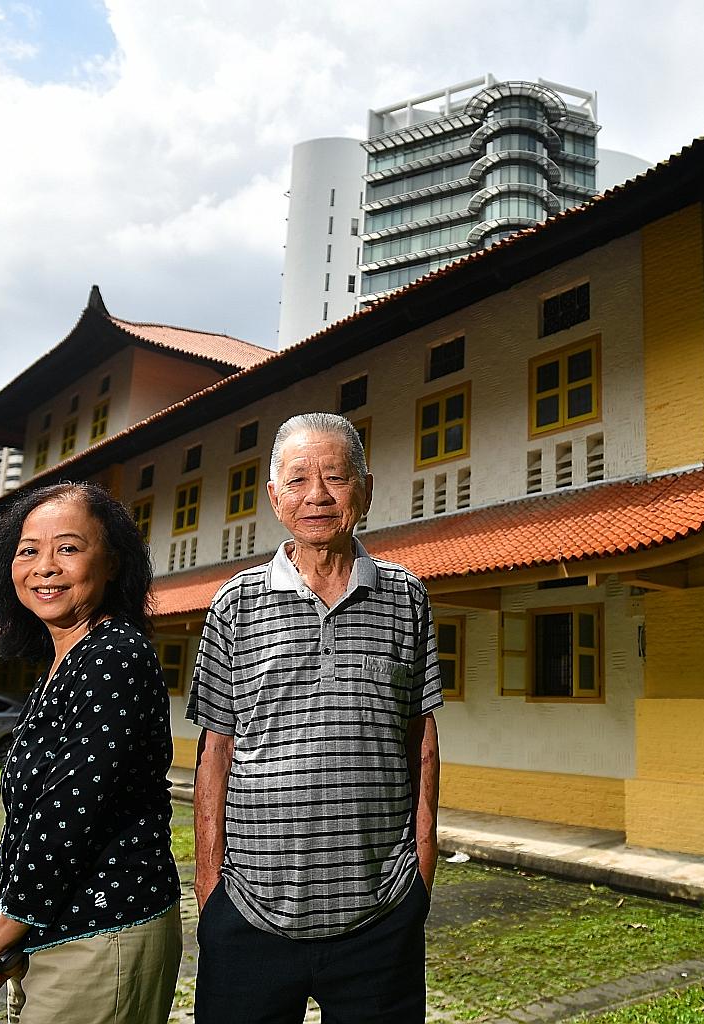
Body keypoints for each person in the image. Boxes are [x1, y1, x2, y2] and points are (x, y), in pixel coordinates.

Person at [189, 412, 442, 1023]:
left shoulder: (407, 598)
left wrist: (421, 878)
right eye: (298, 479)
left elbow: (422, 742)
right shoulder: (236, 604)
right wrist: (210, 893)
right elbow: (214, 751)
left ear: (367, 489)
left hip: (381, 912)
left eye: (336, 476)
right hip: (248, 912)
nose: (318, 495)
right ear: (275, 498)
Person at [0, 482, 181, 1023]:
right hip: (39, 932)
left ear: (113, 563)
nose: (44, 567)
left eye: (68, 549)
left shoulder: (114, 655)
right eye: (28, 550)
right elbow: (26, 819)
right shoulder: (60, 666)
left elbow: (68, 818)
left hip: (103, 930)